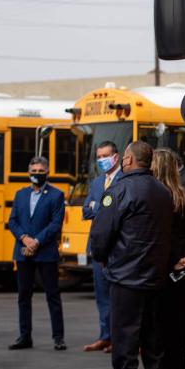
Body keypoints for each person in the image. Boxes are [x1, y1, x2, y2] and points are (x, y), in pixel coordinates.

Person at [90, 141, 172, 369]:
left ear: (127, 161)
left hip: (126, 272)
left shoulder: (119, 190)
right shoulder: (163, 191)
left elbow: (102, 231)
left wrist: (101, 258)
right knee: (153, 330)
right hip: (155, 272)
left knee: (125, 331)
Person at [6, 156, 67, 351]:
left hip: (46, 252)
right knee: (23, 295)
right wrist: (25, 238)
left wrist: (37, 241)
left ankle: (58, 337)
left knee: (53, 295)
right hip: (23, 251)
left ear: (47, 172)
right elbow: (13, 221)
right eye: (34, 171)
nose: (37, 175)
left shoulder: (56, 195)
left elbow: (56, 224)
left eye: (41, 172)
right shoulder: (20, 194)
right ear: (28, 172)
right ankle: (25, 336)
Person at [150, 149, 185, 369]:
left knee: (158, 321)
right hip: (181, 266)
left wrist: (172, 259)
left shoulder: (158, 197)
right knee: (176, 321)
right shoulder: (183, 194)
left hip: (163, 264)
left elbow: (161, 235)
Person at [81, 141, 121, 353]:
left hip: (117, 248)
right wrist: (99, 208)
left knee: (118, 296)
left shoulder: (124, 180)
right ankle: (105, 336)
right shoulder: (97, 183)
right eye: (99, 157)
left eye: (106, 155)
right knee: (102, 295)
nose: (102, 160)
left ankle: (118, 339)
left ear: (116, 156)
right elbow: (85, 211)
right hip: (98, 248)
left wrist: (97, 208)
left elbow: (116, 212)